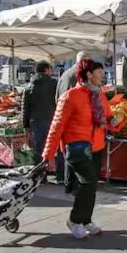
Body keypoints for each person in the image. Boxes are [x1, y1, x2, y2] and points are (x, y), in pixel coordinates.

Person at [42, 59, 111, 239]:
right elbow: (57, 126)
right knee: (87, 183)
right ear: (88, 75)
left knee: (92, 185)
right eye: (99, 73)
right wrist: (48, 154)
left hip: (96, 146)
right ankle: (74, 220)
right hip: (77, 147)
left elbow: (107, 116)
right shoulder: (70, 96)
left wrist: (115, 122)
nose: (102, 77)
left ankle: (86, 219)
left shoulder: (100, 94)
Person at [56, 51, 92, 192]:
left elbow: (57, 98)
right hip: (74, 121)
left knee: (68, 153)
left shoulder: (65, 74)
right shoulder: (78, 77)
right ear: (84, 61)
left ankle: (68, 184)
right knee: (75, 154)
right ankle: (72, 185)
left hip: (66, 119)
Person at [22, 61, 58, 180]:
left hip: (35, 121)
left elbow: (25, 107)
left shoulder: (28, 85)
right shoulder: (54, 83)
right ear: (47, 70)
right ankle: (58, 174)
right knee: (53, 147)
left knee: (38, 148)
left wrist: (25, 125)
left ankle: (40, 176)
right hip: (52, 120)